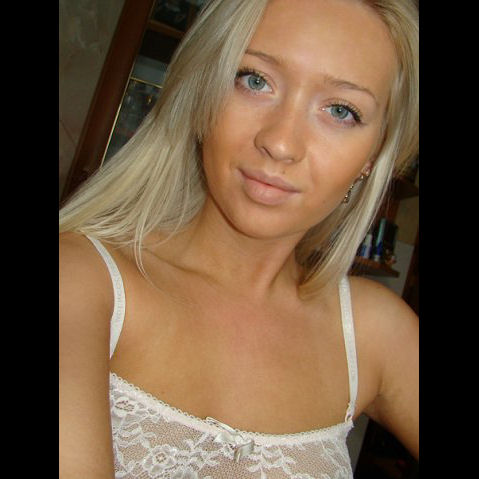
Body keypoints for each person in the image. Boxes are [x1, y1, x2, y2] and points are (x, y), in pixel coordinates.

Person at [59, 0, 419, 477]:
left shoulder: (373, 333)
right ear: (203, 91)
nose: (281, 143)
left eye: (340, 110)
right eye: (254, 80)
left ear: (373, 155)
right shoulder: (81, 282)